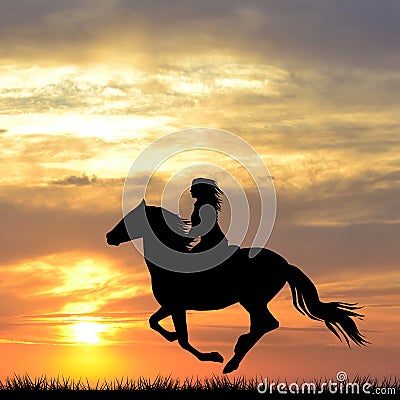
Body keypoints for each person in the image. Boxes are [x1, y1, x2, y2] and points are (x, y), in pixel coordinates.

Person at [188, 178, 228, 253]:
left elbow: (205, 225)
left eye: (192, 188)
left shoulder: (205, 206)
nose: (190, 191)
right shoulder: (199, 204)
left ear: (199, 190)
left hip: (214, 242)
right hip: (210, 241)